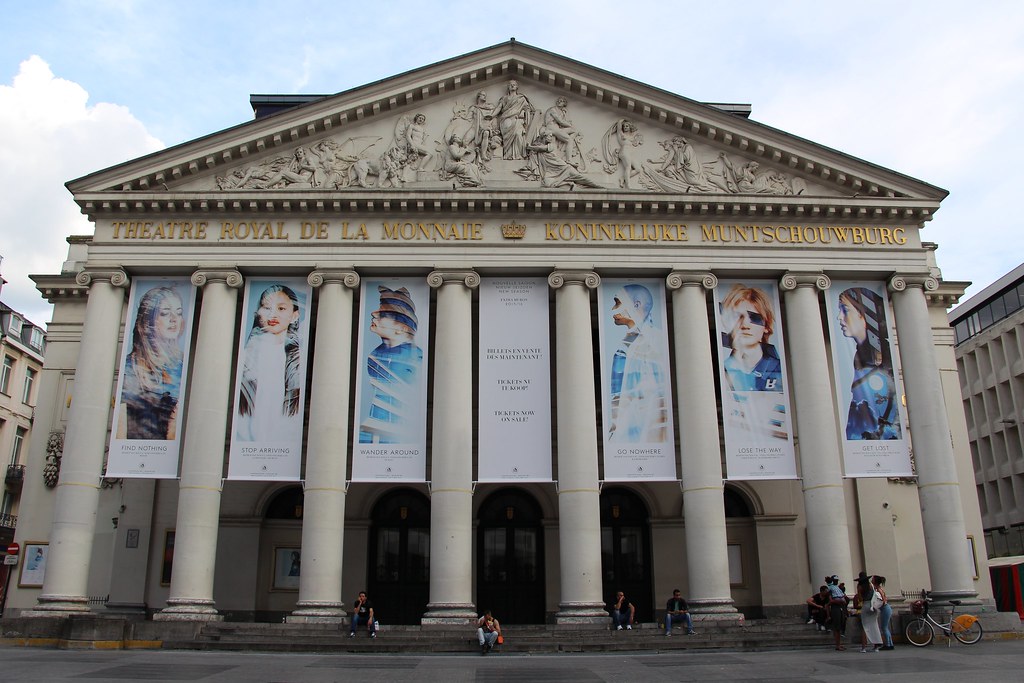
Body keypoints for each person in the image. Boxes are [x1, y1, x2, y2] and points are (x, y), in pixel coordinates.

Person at [236, 284, 303, 442]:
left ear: (295, 315)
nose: (273, 314)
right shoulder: (247, 356)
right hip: (245, 440)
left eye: (281, 309)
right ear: (258, 313)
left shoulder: (299, 358)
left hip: (285, 440)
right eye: (267, 308)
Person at [118, 285, 186, 440]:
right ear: (147, 320)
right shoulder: (131, 368)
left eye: (179, 313)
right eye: (164, 313)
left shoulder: (183, 365)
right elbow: (120, 427)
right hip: (136, 451)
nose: (174, 320)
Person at [358, 286, 423, 444]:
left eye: (382, 315)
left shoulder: (417, 357)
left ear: (401, 328)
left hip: (400, 436)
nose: (374, 316)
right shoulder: (373, 354)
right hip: (368, 433)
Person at [837, 287, 902, 440]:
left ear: (864, 315)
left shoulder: (880, 369)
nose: (839, 317)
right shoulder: (857, 358)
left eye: (845, 310)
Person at [607, 284, 669, 443]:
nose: (613, 309)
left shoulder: (655, 341)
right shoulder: (626, 343)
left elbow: (656, 393)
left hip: (644, 426)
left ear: (636, 305)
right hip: (624, 425)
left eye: (617, 302)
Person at [720, 284, 783, 392]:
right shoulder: (721, 368)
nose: (745, 325)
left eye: (754, 318)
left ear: (766, 326)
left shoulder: (779, 369)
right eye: (737, 317)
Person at [526, 130, 602, 189]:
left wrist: (530, 147)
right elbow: (538, 148)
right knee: (547, 184)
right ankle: (569, 184)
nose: (551, 137)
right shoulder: (539, 150)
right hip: (551, 172)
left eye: (551, 136)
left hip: (564, 169)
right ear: (544, 137)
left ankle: (601, 187)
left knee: (584, 180)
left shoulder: (552, 146)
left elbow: (540, 148)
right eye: (549, 136)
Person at [493, 80, 536, 160]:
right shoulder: (504, 98)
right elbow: (499, 108)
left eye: (514, 85)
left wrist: (526, 119)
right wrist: (491, 115)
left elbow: (527, 109)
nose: (512, 86)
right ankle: (508, 154)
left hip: (518, 121)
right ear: (508, 87)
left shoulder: (521, 98)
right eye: (510, 85)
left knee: (518, 134)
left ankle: (518, 155)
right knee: (507, 138)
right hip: (506, 120)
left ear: (517, 87)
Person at [856, 574, 882, 652]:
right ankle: (876, 646)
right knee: (874, 626)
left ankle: (864, 647)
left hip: (865, 605)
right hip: (873, 606)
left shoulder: (860, 587)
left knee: (865, 626)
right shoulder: (871, 585)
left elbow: (860, 599)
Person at [825, 575, 847, 651]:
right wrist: (840, 601)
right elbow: (830, 601)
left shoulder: (836, 588)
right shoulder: (830, 589)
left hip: (840, 607)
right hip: (836, 608)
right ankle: (837, 645)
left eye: (837, 580)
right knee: (837, 628)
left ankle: (839, 644)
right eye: (835, 580)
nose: (836, 582)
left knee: (839, 627)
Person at [872, 575, 894, 650]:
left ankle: (887, 644)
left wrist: (883, 602)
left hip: (885, 609)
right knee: (885, 627)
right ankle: (890, 643)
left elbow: (882, 596)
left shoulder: (878, 589)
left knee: (884, 627)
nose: (871, 580)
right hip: (886, 609)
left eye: (873, 579)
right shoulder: (877, 588)